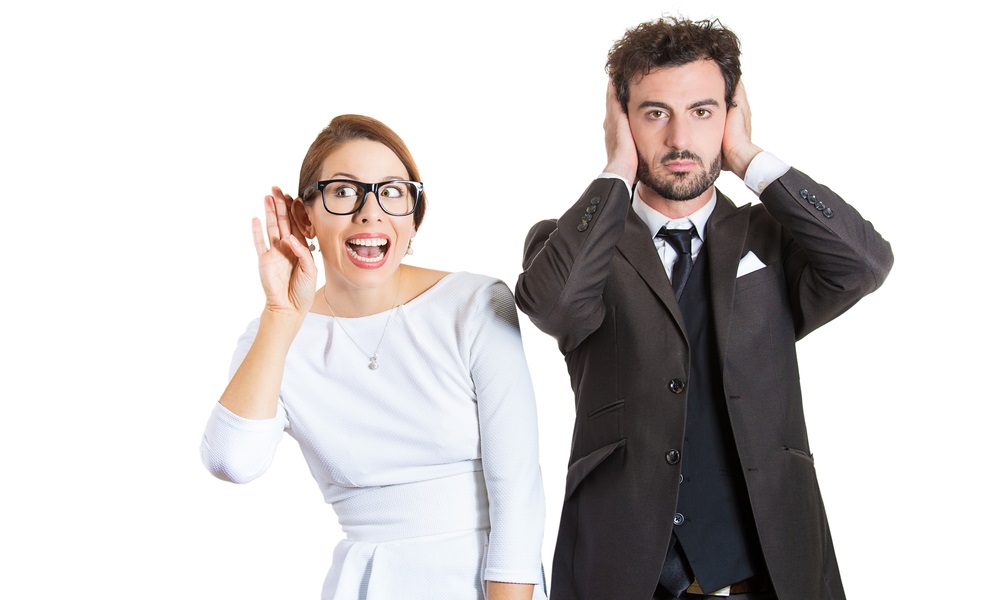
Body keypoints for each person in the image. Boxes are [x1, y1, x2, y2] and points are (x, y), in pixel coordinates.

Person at [515, 17, 892, 600]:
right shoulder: (571, 245)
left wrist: (748, 158)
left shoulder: (771, 237)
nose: (679, 140)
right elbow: (555, 305)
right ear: (622, 120)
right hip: (623, 565)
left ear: (730, 114)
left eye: (702, 111)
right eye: (654, 113)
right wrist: (616, 170)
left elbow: (864, 265)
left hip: (764, 563)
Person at [201, 114, 546, 600]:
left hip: (485, 582)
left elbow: (519, 494)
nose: (370, 213)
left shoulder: (476, 305)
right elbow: (231, 461)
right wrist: (282, 314)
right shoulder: (276, 334)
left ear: (413, 216)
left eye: (392, 192)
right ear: (306, 219)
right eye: (343, 192)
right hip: (367, 584)